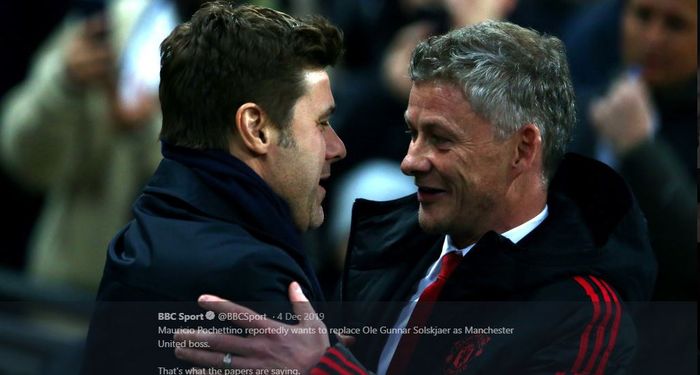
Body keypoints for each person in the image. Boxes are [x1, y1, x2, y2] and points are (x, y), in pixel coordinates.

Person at [174, 21, 657, 374]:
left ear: (523, 149)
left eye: (440, 140)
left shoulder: (582, 317)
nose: (411, 161)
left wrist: (325, 369)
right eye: (412, 134)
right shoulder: (392, 244)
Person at [79, 2, 345, 373]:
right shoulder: (252, 277)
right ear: (256, 128)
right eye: (322, 123)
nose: (337, 148)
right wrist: (328, 366)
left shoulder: (142, 235)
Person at [0, 0, 212, 293]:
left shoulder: (237, 46)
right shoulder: (105, 20)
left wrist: (145, 131)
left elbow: (214, 184)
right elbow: (21, 156)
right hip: (68, 290)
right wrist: (65, 84)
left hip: (173, 298)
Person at [564, 0, 697, 299]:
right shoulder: (581, 105)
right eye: (643, 15)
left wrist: (642, 150)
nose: (653, 37)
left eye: (676, 25)